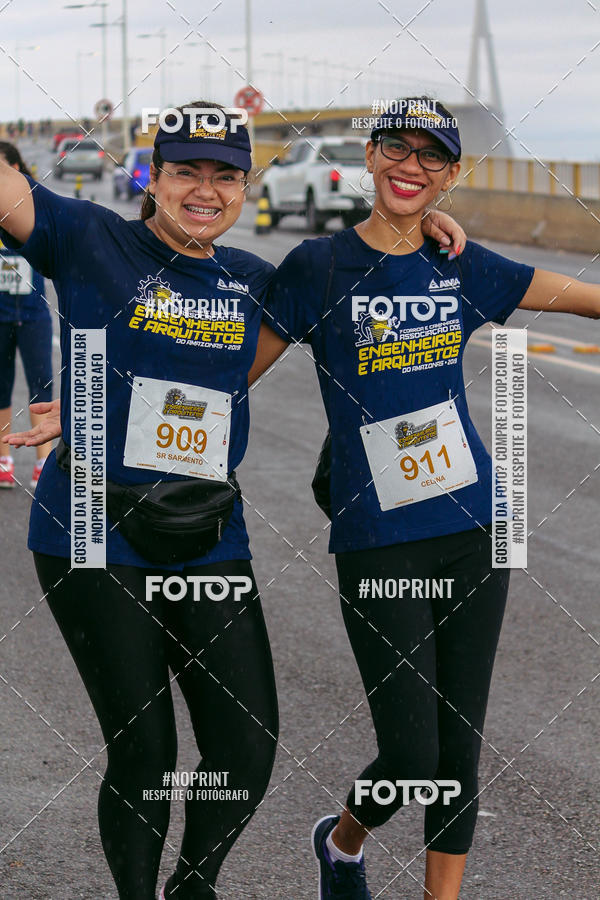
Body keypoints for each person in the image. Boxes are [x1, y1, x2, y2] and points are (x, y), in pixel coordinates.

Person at [1, 100, 465, 898]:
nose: (205, 190)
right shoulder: (85, 236)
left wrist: (426, 217)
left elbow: (360, 271)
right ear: (153, 177)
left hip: (208, 531)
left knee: (245, 750)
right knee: (145, 753)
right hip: (90, 529)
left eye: (224, 175)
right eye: (185, 171)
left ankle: (195, 885)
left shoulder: (254, 279)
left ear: (245, 186)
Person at [248, 98, 600, 900]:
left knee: (458, 749)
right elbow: (233, 380)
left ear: (450, 173)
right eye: (396, 150)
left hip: (475, 527)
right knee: (410, 756)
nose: (412, 167)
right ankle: (341, 845)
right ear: (370, 158)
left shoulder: (463, 266)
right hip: (379, 537)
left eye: (431, 157)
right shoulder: (319, 268)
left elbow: (584, 297)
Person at [0, 141, 53, 489]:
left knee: (42, 389)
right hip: (0, 317)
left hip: (33, 315)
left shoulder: (34, 209)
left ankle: (43, 463)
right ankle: (4, 459)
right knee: (0, 388)